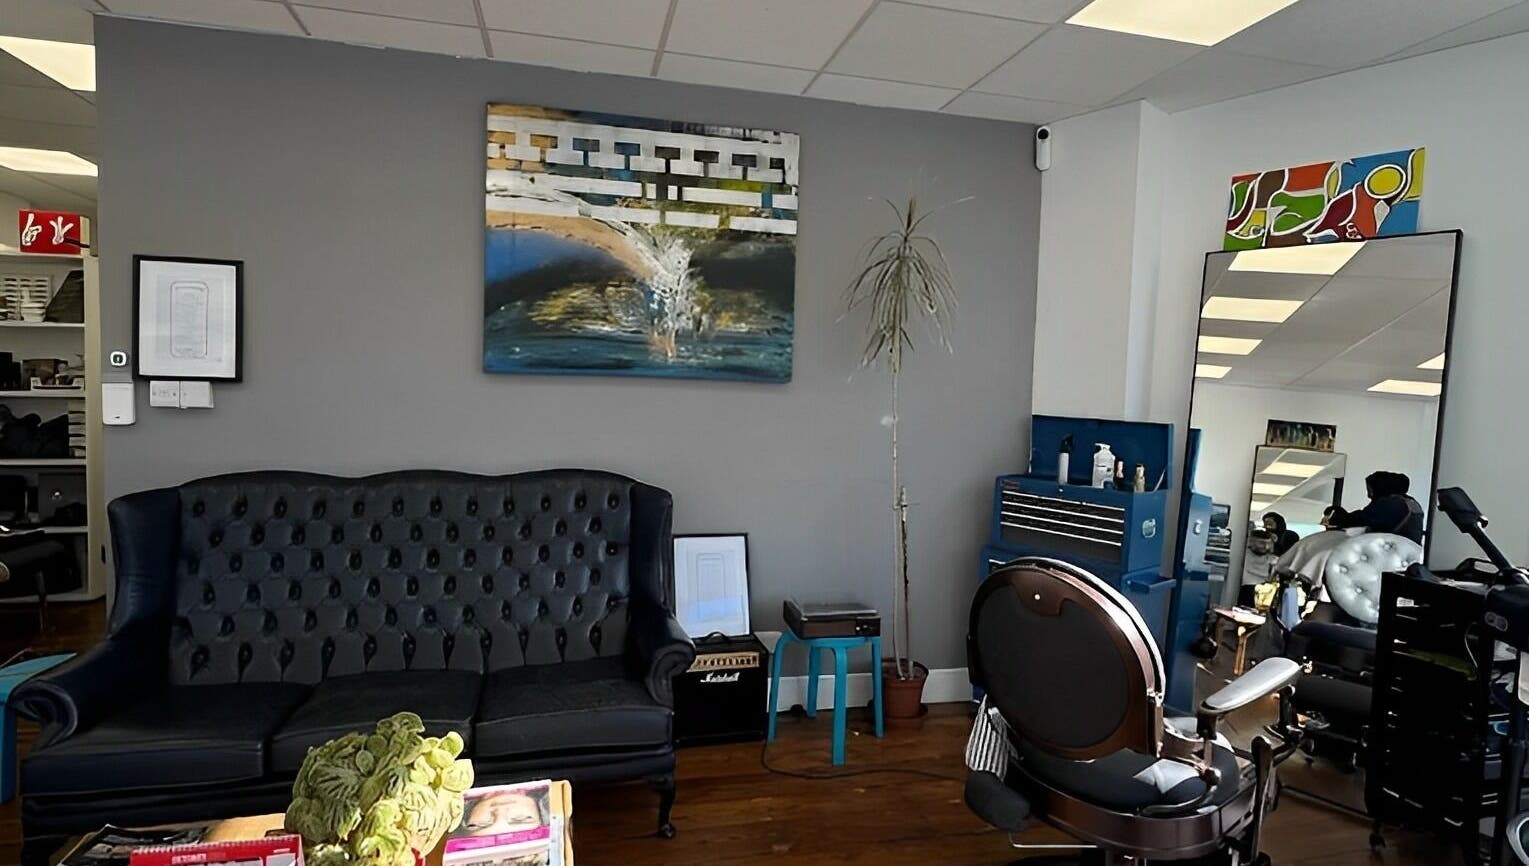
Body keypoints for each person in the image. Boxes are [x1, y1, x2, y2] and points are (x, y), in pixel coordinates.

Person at [1328, 470, 1424, 543]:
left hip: (1390, 551)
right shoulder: (1408, 502)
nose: (1369, 495)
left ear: (1381, 488)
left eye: (1370, 490)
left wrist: (1339, 518)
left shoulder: (1392, 504)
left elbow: (1361, 519)